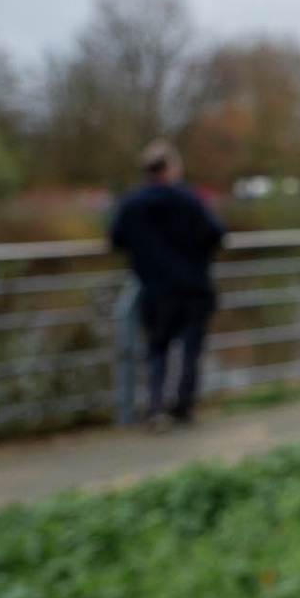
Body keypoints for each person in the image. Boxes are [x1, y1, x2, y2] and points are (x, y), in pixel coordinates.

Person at [109, 140, 224, 427]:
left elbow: (115, 238)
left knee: (156, 348)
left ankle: (156, 406)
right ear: (172, 167)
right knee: (190, 348)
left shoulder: (131, 204)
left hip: (154, 289)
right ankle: (183, 407)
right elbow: (216, 234)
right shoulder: (190, 199)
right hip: (193, 286)